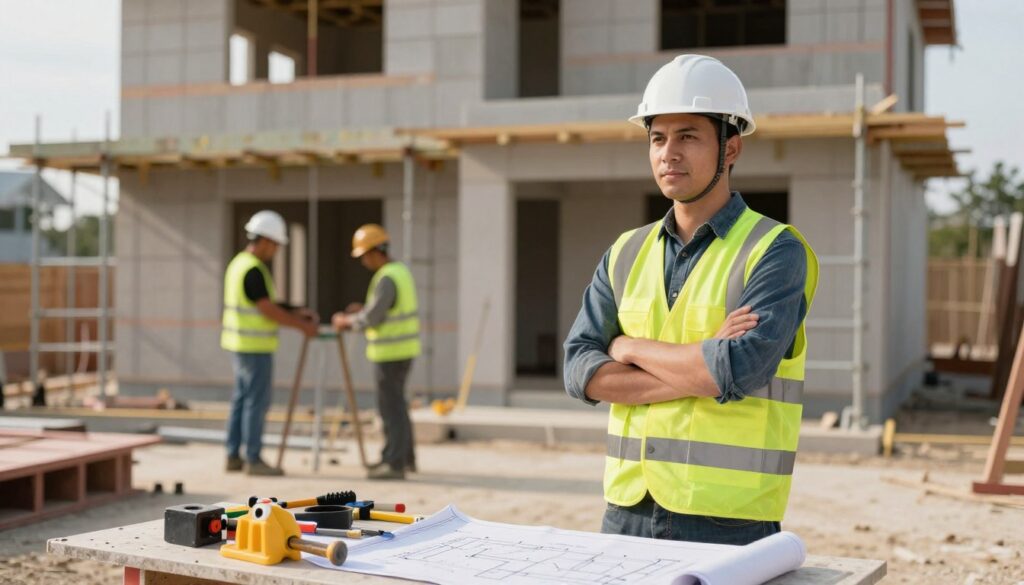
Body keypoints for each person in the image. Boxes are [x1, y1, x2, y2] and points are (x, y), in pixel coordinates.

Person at [563, 54, 819, 545]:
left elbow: (737, 371)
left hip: (727, 519)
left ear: (731, 147)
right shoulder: (625, 252)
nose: (668, 153)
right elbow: (579, 371)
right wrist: (701, 366)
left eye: (688, 136)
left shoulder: (776, 250)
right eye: (658, 138)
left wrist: (628, 348)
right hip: (627, 510)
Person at [222, 210, 318, 476]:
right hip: (255, 347)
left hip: (239, 343)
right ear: (264, 240)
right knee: (256, 402)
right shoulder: (253, 270)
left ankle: (233, 456)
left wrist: (296, 310)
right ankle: (253, 458)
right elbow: (266, 308)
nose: (275, 251)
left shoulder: (239, 264)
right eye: (275, 245)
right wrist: (301, 326)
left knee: (241, 400)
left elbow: (266, 301)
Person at [332, 224, 419, 481]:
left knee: (391, 409)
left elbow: (372, 318)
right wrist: (365, 309)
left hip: (391, 352)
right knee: (398, 407)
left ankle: (394, 463)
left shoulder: (386, 277)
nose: (364, 262)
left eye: (364, 256)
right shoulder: (399, 271)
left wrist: (347, 321)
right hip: (401, 350)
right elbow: (383, 309)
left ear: (375, 251)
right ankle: (403, 458)